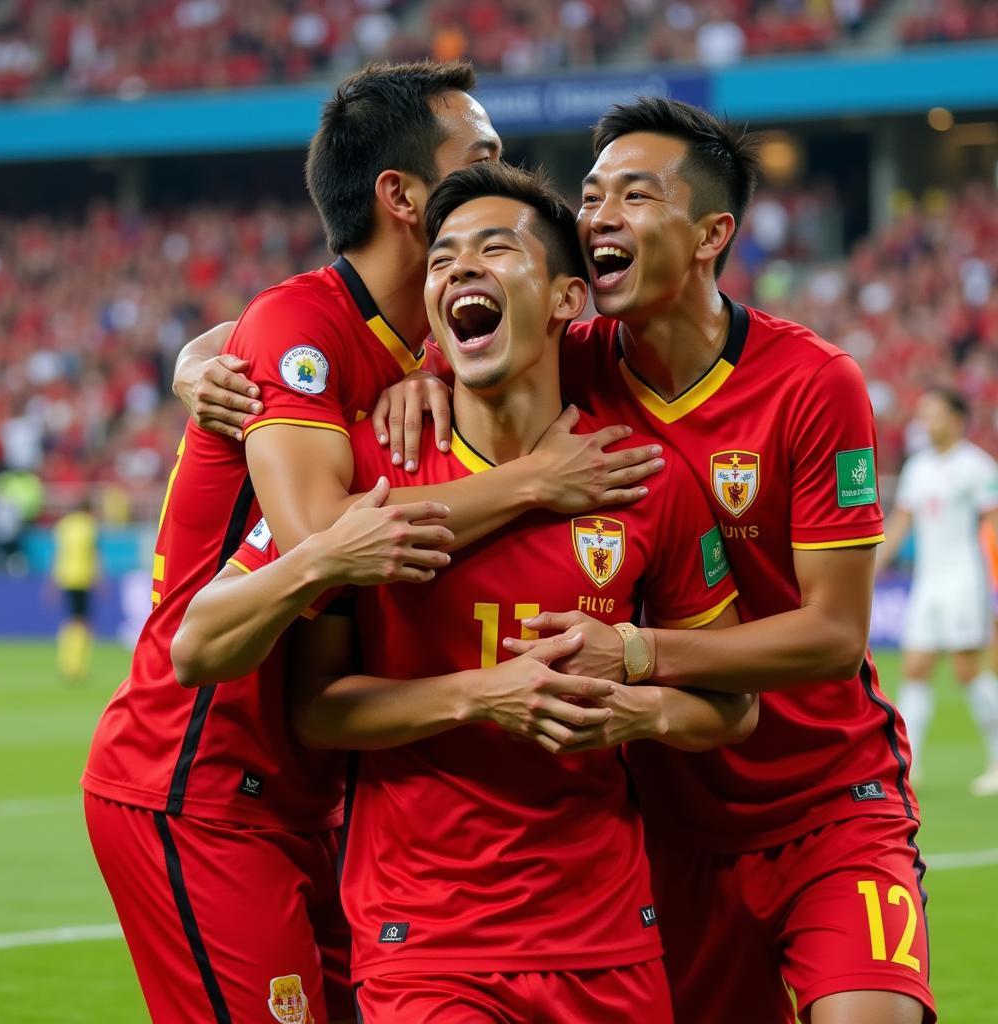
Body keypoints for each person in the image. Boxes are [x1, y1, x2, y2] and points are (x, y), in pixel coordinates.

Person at [87, 61, 660, 1024]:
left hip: (318, 793)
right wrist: (532, 483)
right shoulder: (300, 326)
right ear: (400, 196)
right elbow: (329, 542)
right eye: (478, 156)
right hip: (199, 772)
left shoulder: (428, 348)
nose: (500, 172)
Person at [362, 100, 935, 1024]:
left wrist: (631, 652)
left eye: (636, 195)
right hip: (657, 825)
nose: (598, 219)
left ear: (713, 232)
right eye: (590, 197)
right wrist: (413, 379)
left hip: (825, 801)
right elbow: (372, 344)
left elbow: (834, 636)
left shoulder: (813, 383)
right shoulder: (566, 361)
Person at [175, 162, 754, 1022]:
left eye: (494, 249)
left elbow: (732, 706)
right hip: (427, 942)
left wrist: (641, 709)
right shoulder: (376, 475)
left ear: (565, 299)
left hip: (608, 940)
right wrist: (482, 697)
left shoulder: (642, 481)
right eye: (442, 258)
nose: (457, 271)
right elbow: (280, 687)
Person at [877, 388, 998, 796]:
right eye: (924, 413)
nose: (926, 421)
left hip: (965, 579)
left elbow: (993, 528)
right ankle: (910, 764)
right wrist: (873, 567)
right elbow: (900, 524)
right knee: (915, 668)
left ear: (956, 418)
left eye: (934, 414)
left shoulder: (977, 467)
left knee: (967, 670)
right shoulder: (918, 468)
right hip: (927, 582)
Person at [52, 497, 99, 682]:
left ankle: (65, 662)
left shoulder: (64, 525)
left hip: (65, 577)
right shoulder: (89, 525)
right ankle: (78, 666)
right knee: (84, 624)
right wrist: (100, 578)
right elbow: (94, 553)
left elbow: (59, 554)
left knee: (70, 621)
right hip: (84, 578)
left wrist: (53, 581)